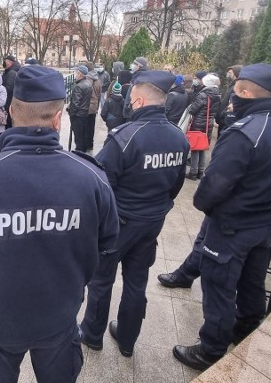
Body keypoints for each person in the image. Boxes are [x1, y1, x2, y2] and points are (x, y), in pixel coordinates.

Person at [0, 65, 120, 382]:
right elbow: (107, 246)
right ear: (59, 118)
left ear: (13, 113)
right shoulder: (92, 179)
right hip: (58, 315)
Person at [173, 63, 271, 371]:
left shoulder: (244, 134)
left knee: (219, 286)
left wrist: (205, 205)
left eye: (236, 93)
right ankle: (247, 328)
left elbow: (214, 186)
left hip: (232, 226)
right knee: (252, 282)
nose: (232, 100)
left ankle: (211, 349)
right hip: (265, 221)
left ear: (244, 93)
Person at [79, 71, 191, 358]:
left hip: (119, 223)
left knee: (102, 280)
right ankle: (128, 338)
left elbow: (100, 185)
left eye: (131, 98)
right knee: (136, 281)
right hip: (151, 222)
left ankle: (93, 334)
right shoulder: (179, 138)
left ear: (138, 100)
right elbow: (176, 184)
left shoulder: (125, 138)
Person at [186, 74, 222, 180]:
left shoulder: (203, 94)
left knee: (195, 148)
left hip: (198, 123)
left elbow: (193, 110)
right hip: (208, 124)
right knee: (203, 147)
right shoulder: (217, 95)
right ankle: (201, 172)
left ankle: (193, 172)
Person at [68, 65, 92, 152]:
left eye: (76, 72)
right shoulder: (88, 83)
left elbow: (75, 104)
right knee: (83, 135)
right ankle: (83, 150)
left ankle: (79, 152)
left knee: (78, 137)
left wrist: (71, 114)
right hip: (84, 113)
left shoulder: (79, 86)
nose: (75, 74)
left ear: (80, 74)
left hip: (78, 115)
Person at [216, 65, 243, 133]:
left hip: (226, 118)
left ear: (236, 73)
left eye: (230, 73)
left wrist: (223, 114)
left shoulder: (236, 87)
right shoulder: (231, 85)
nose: (228, 74)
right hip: (223, 118)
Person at [86, 68, 102, 151]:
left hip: (86, 106)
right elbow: (99, 95)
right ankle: (90, 144)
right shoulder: (98, 81)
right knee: (91, 126)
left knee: (85, 126)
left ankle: (84, 143)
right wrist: (97, 107)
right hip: (94, 106)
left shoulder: (86, 80)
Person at [2, 55, 19, 128]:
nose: (4, 62)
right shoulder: (9, 71)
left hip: (9, 102)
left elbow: (9, 88)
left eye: (5, 61)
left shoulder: (11, 73)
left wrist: (1, 91)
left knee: (9, 122)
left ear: (9, 62)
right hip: (8, 102)